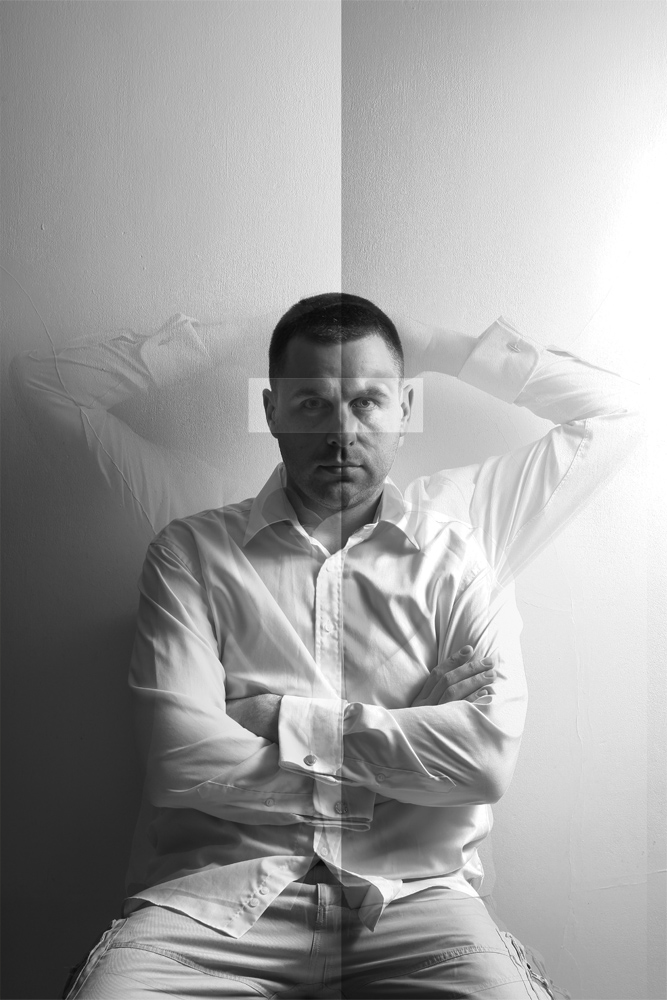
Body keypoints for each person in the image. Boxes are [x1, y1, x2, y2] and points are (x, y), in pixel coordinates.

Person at [12, 294, 642, 998]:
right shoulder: (193, 544)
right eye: (311, 403)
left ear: (405, 408)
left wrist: (275, 718)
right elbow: (182, 764)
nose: (341, 433)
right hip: (211, 903)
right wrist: (407, 745)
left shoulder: (464, 540)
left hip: (416, 901)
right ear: (271, 410)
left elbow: (482, 762)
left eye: (366, 402)